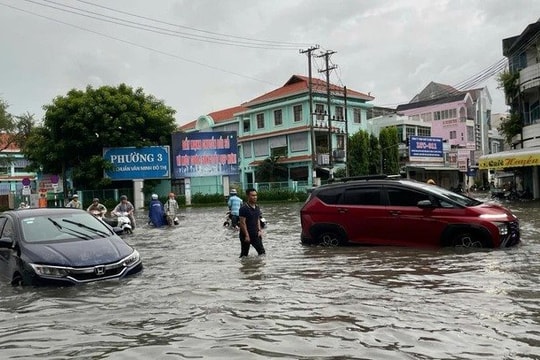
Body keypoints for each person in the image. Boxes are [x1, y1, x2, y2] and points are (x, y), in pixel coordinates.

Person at [238, 188, 265, 258]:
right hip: (245, 235)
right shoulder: (243, 208)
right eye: (252, 195)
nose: (255, 197)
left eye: (256, 195)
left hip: (255, 234)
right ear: (248, 196)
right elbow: (242, 223)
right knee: (244, 255)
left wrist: (259, 230)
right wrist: (247, 235)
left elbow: (258, 220)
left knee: (262, 252)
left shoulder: (257, 208)